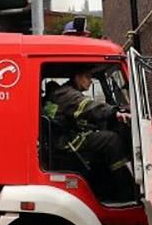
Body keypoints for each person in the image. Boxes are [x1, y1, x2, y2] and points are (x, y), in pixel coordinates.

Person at [43, 67, 135, 202]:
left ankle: (107, 185)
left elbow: (77, 115)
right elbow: (88, 107)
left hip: (61, 138)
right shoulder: (67, 94)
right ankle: (124, 189)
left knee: (102, 134)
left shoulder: (63, 92)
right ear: (77, 77)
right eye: (87, 76)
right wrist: (114, 112)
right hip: (67, 141)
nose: (91, 81)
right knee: (112, 140)